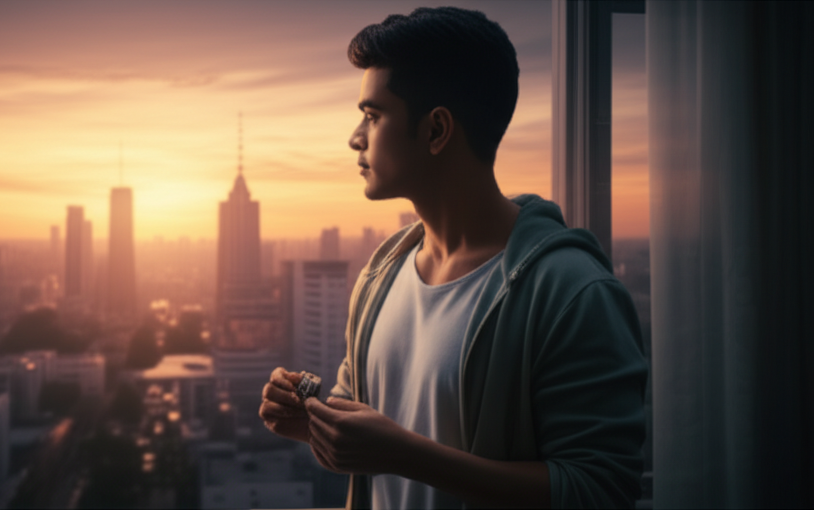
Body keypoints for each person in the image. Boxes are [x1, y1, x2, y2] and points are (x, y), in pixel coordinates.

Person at [259, 6, 648, 509]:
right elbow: (367, 435)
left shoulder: (571, 292)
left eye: (373, 116)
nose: (355, 138)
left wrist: (406, 456)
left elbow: (602, 491)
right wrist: (310, 420)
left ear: (437, 130)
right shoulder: (381, 275)